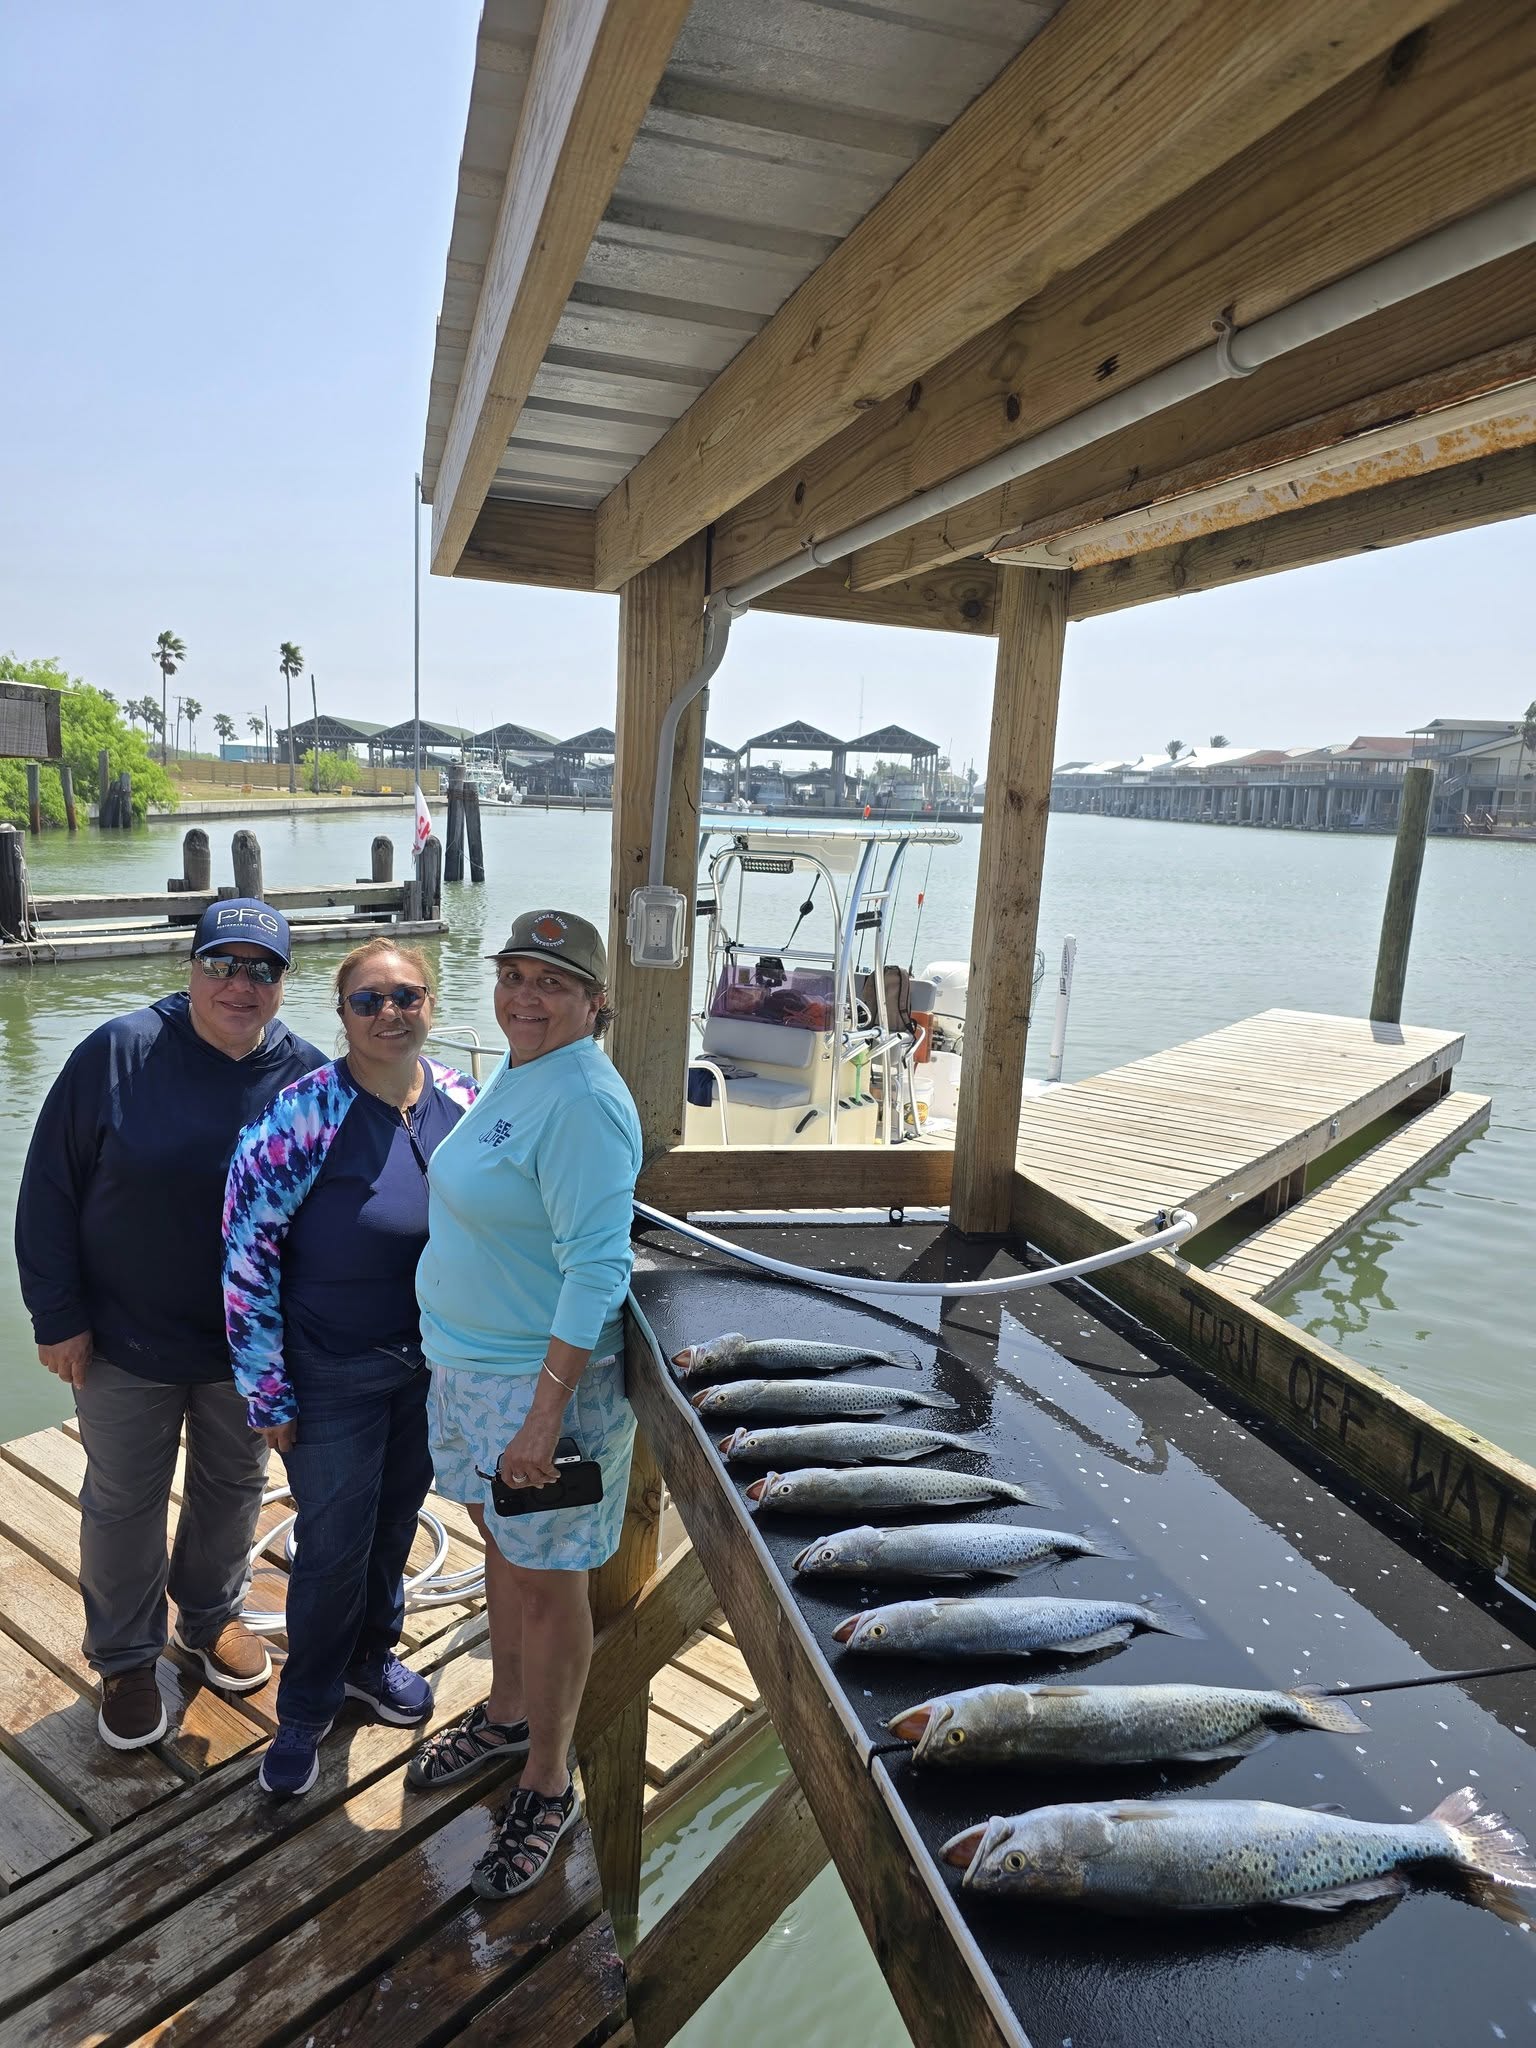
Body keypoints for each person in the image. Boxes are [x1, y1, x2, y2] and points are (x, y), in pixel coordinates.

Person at [14, 899, 324, 1750]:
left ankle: (209, 1617)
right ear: (190, 968)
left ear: (283, 982)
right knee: (123, 1501)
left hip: (247, 1349)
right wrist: (57, 1316)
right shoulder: (118, 1051)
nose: (239, 984)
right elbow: (48, 1190)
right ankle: (124, 1658)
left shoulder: (310, 1077)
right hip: (123, 1340)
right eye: (221, 963)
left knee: (234, 1486)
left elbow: (338, 1213)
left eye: (261, 969)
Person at [407, 908, 641, 1900]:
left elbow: (597, 1269)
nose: (526, 996)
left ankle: (548, 1779)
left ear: (595, 1001)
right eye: (514, 975)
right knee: (503, 1546)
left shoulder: (583, 1100)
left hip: (535, 1387)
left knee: (550, 1584)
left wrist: (546, 1415)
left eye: (553, 982)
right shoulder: (522, 1067)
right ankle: (507, 1712)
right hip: (470, 1369)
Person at [223, 940, 475, 1797]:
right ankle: (306, 1707)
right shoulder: (303, 1115)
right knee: (333, 1547)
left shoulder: (465, 1100)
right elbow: (246, 1256)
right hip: (330, 1370)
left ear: (431, 1004)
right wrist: (267, 1391)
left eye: (406, 996)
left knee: (396, 1522)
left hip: (431, 1365)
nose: (389, 1013)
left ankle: (372, 1658)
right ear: (342, 1016)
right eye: (368, 1001)